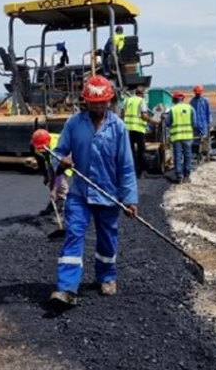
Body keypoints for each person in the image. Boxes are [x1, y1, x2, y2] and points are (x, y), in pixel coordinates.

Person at [48, 75, 138, 307]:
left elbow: (126, 166)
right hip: (80, 193)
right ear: (85, 101)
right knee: (73, 234)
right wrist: (61, 163)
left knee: (107, 237)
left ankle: (106, 276)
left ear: (110, 101)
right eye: (93, 102)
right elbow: (57, 152)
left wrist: (129, 199)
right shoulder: (74, 124)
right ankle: (67, 288)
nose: (97, 106)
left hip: (108, 193)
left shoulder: (118, 127)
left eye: (102, 102)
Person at [31, 129, 72, 216]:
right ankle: (53, 204)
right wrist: (45, 176)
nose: (40, 150)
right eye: (39, 148)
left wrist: (55, 189)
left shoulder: (57, 147)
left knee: (61, 185)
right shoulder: (35, 144)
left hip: (64, 160)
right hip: (50, 159)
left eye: (43, 148)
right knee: (51, 182)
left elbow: (59, 173)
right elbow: (40, 161)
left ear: (48, 143)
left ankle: (63, 208)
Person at [122, 86, 153, 178]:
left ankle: (131, 171)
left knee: (130, 151)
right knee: (141, 151)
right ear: (142, 94)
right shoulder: (141, 101)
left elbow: (122, 114)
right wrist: (153, 121)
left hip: (128, 129)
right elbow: (143, 116)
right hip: (139, 130)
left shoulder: (127, 100)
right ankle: (142, 172)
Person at [166, 91, 195, 184]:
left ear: (174, 99)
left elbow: (167, 123)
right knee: (188, 155)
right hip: (188, 136)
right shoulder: (190, 108)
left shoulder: (173, 109)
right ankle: (187, 176)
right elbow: (195, 123)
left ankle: (179, 176)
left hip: (177, 137)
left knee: (177, 156)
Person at [190, 84, 213, 163]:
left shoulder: (205, 100)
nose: (198, 94)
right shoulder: (192, 102)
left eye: (199, 92)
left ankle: (207, 153)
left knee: (205, 139)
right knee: (196, 140)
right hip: (195, 124)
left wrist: (209, 122)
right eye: (196, 93)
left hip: (203, 124)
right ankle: (197, 153)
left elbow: (208, 112)